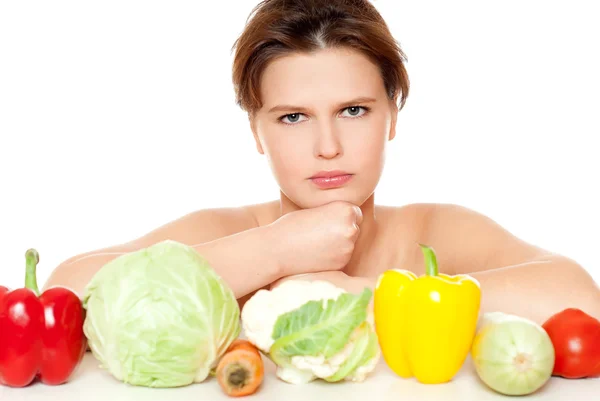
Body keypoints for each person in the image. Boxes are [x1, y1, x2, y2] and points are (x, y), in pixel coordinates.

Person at [43, 0, 599, 325]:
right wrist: (272, 252)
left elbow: (578, 298)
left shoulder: (431, 232)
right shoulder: (232, 234)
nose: (327, 146)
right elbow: (64, 292)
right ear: (256, 131)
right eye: (292, 118)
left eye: (353, 110)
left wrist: (355, 293)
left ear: (393, 117)